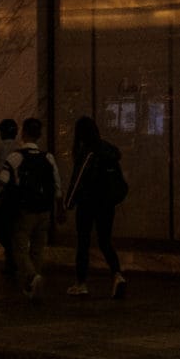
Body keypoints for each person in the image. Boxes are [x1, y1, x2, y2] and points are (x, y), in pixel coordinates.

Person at [0, 116, 60, 298]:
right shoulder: (48, 157)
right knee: (37, 248)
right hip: (44, 210)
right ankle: (33, 283)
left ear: (24, 133)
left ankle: (31, 276)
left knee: (19, 246)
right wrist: (59, 207)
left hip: (24, 209)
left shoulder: (13, 156)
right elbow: (56, 184)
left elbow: (1, 180)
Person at [65, 115, 127, 298]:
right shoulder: (108, 150)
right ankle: (117, 274)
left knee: (83, 242)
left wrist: (68, 203)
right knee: (105, 241)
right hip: (107, 203)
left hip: (88, 203)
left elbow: (78, 179)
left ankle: (81, 283)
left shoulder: (88, 152)